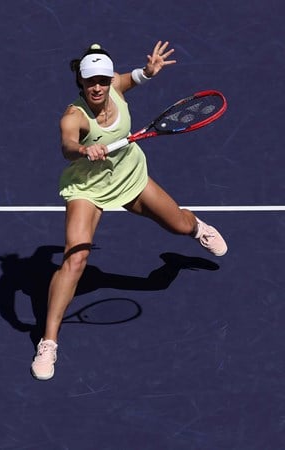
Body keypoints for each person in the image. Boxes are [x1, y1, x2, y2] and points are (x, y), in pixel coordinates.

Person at [30, 41, 228, 381]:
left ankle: (196, 228)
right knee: (75, 259)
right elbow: (67, 146)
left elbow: (130, 79)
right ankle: (48, 342)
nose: (97, 87)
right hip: (88, 190)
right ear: (80, 82)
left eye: (103, 80)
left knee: (179, 227)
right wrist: (83, 150)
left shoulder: (116, 88)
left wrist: (147, 72)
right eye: (90, 81)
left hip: (129, 176)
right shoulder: (73, 117)